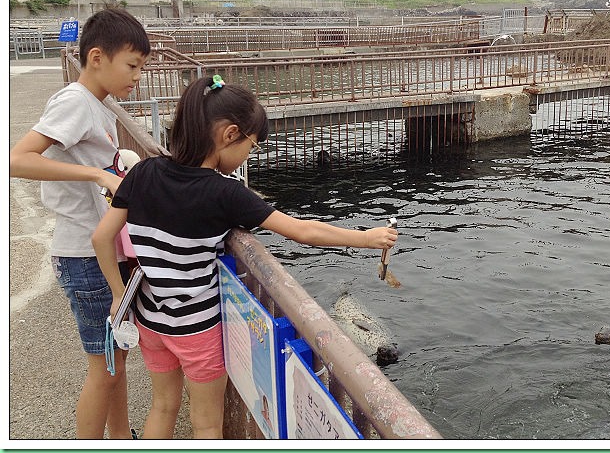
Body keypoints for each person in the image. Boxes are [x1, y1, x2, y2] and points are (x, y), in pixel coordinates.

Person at [92, 75, 398, 439]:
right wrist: (366, 237)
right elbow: (302, 230)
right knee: (206, 422)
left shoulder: (143, 171)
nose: (248, 157)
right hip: (196, 328)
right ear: (229, 134)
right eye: (251, 147)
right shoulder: (225, 194)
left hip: (151, 321)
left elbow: (101, 237)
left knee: (163, 406)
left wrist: (116, 293)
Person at [9, 7, 151, 439]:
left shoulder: (97, 104)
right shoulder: (76, 102)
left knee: (116, 358)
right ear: (96, 58)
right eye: (132, 66)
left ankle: (123, 439)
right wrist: (95, 173)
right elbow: (18, 159)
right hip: (85, 256)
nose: (137, 77)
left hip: (99, 252)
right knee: (104, 366)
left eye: (142, 68)